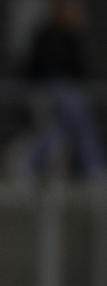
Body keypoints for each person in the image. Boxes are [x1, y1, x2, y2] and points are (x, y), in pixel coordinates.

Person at [22, 0, 105, 181]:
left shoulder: (70, 35)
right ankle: (94, 166)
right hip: (52, 87)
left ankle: (30, 162)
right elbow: (39, 65)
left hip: (67, 88)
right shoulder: (48, 34)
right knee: (80, 119)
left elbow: (81, 68)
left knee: (61, 128)